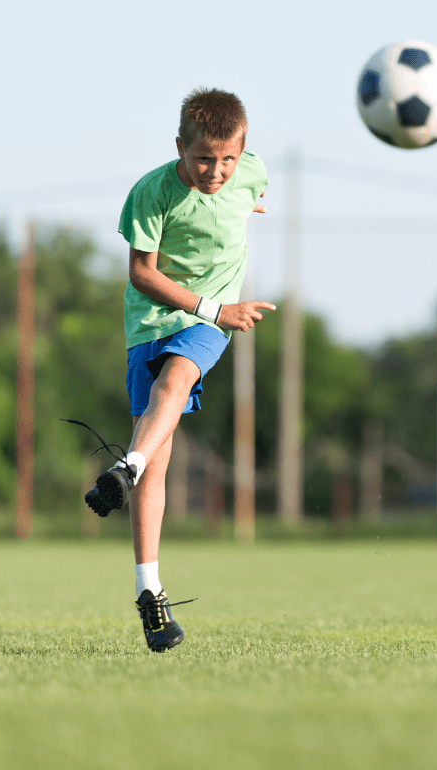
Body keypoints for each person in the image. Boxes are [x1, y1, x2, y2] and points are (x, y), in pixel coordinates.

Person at [81, 87, 273, 653]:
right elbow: (142, 274)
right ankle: (150, 592)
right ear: (179, 149)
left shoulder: (249, 172)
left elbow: (252, 189)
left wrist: (247, 202)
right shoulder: (152, 193)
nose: (217, 171)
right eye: (203, 160)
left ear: (242, 152)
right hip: (150, 322)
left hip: (206, 323)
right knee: (157, 466)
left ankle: (126, 463)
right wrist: (218, 308)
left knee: (178, 378)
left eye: (228, 160)